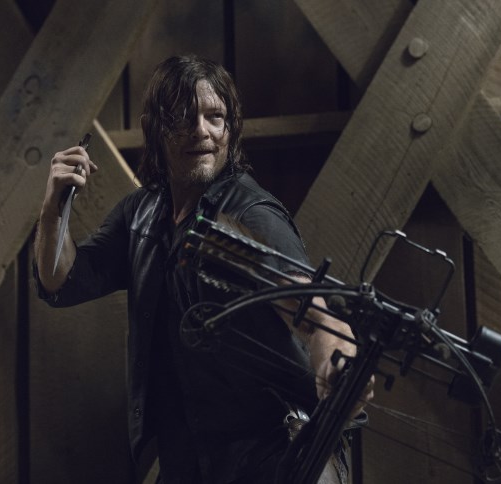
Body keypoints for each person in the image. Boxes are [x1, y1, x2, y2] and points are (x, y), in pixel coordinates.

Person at [33, 55, 372, 483]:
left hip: (272, 456)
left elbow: (310, 307)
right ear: (155, 127)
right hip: (189, 460)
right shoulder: (142, 213)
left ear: (230, 127)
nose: (202, 131)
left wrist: (336, 358)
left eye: (215, 117)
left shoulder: (250, 213)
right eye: (183, 117)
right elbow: (60, 280)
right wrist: (53, 206)